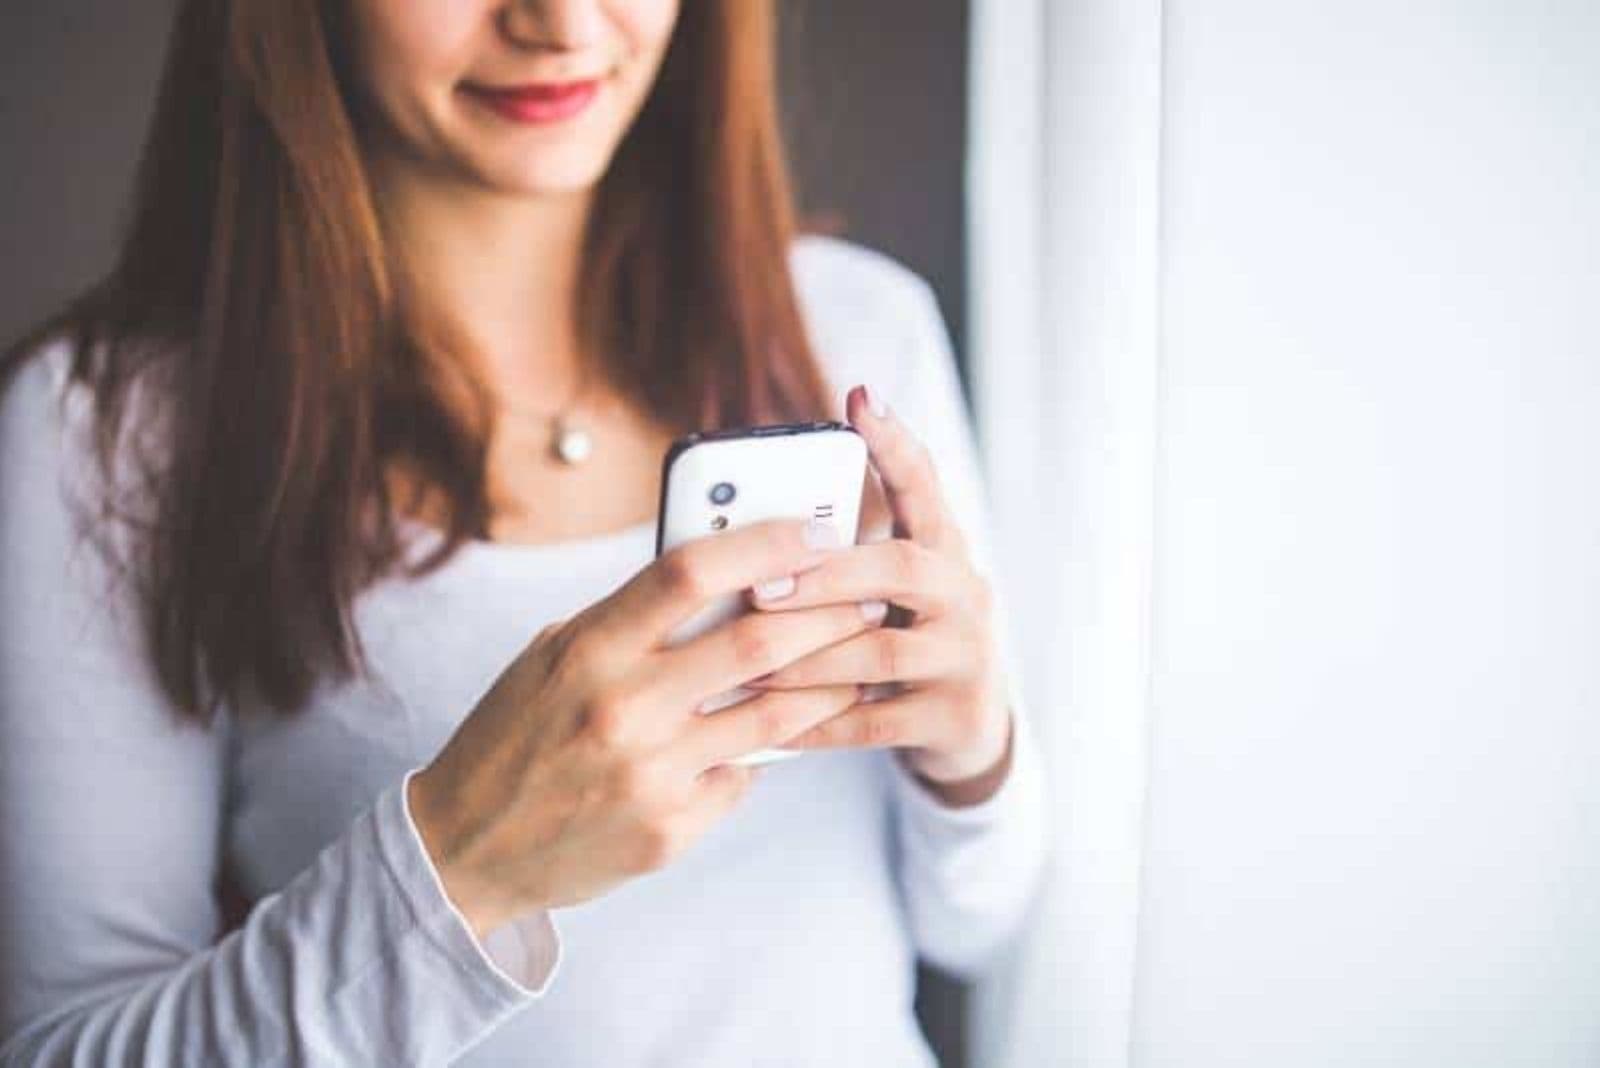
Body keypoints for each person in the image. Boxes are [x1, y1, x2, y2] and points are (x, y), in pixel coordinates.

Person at [0, 1, 1047, 1064]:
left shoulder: (862, 333)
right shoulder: (108, 432)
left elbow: (977, 922)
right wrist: (462, 865)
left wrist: (970, 756)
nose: (558, 23)